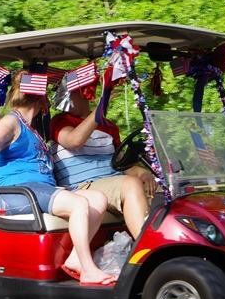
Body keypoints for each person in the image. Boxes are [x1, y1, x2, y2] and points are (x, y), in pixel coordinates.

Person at [0, 72, 116, 286]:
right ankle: (89, 270)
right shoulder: (11, 121)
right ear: (41, 99)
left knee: (97, 199)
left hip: (38, 189)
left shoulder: (31, 129)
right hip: (17, 191)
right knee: (79, 204)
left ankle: (76, 260)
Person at [50, 86, 157, 239]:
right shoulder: (60, 121)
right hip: (83, 186)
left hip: (113, 182)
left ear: (84, 94)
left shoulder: (109, 127)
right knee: (131, 184)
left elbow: (119, 164)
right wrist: (101, 109)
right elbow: (74, 141)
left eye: (69, 93)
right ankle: (148, 251)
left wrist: (143, 173)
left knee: (165, 189)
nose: (63, 98)